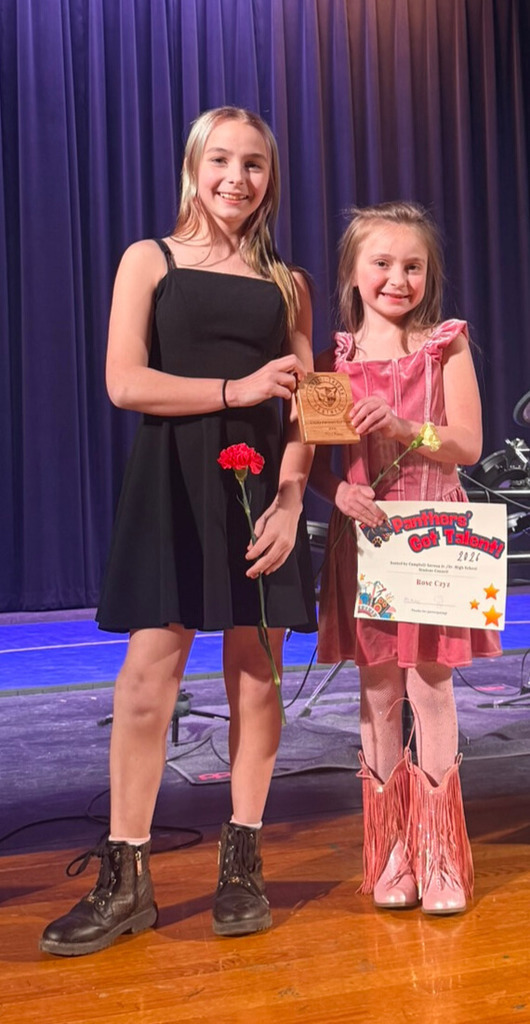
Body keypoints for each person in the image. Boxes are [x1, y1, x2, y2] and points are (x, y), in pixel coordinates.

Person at [40, 106, 316, 956]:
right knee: (146, 678)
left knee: (256, 675)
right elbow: (126, 382)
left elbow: (311, 409)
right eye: (221, 159)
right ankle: (127, 877)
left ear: (271, 178)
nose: (237, 177)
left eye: (254, 164)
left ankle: (243, 864)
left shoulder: (289, 283)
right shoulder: (148, 260)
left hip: (260, 492)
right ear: (195, 166)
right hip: (173, 484)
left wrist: (291, 501)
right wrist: (237, 390)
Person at [309, 201, 501, 915]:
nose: (398, 279)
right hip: (368, 545)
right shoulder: (331, 362)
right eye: (382, 264)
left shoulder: (445, 347)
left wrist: (402, 426)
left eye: (412, 266)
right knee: (379, 692)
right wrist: (337, 493)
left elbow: (467, 444)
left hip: (435, 539)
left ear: (429, 274)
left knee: (432, 687)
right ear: (353, 273)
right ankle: (392, 850)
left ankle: (441, 852)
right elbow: (314, 463)